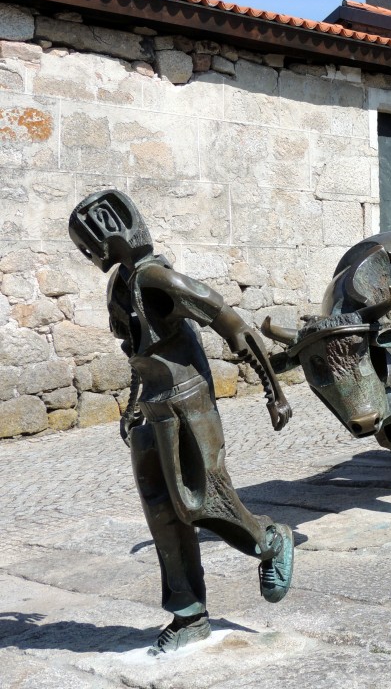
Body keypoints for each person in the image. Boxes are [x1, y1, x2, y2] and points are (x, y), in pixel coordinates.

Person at [68, 189, 295, 655]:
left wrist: (275, 393)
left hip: (187, 404)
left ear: (112, 235)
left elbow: (233, 325)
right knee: (161, 514)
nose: (88, 254)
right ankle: (188, 613)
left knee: (200, 502)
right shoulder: (121, 286)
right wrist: (133, 405)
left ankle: (269, 541)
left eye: (89, 244)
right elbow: (139, 354)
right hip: (151, 409)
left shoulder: (158, 279)